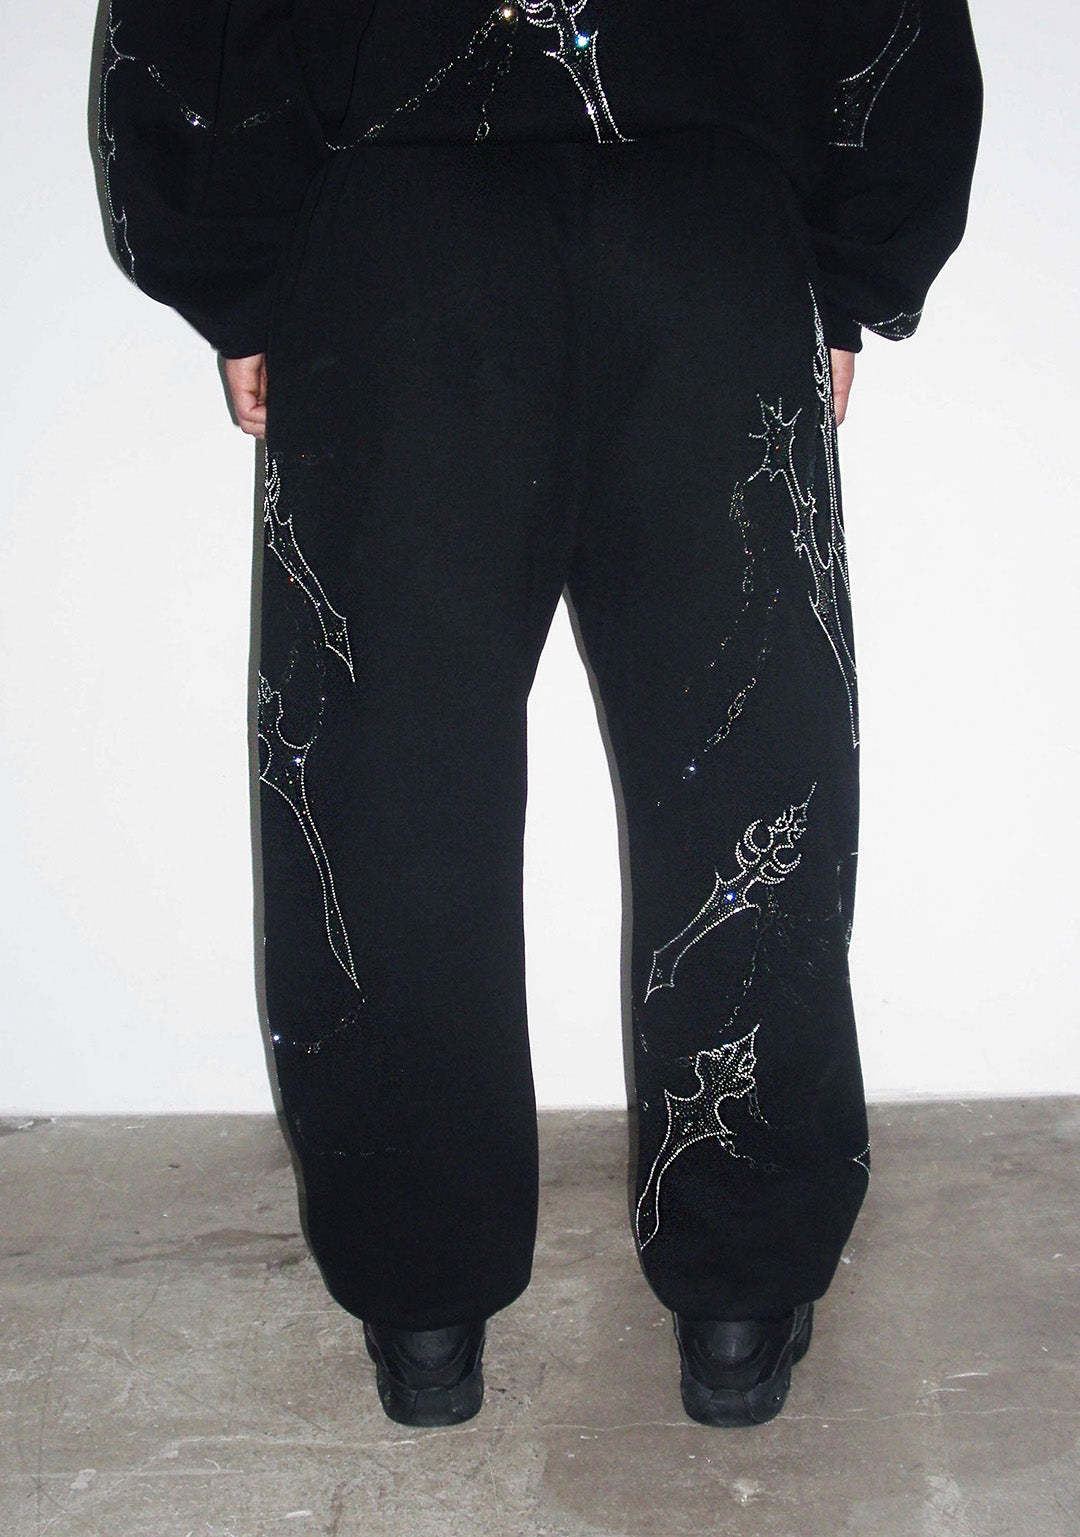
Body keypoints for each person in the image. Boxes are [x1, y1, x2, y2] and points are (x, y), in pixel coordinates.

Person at [95, 1, 982, 1429]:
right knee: (747, 770)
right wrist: (849, 262)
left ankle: (423, 1308)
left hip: (396, 236)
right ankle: (740, 1300)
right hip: (707, 217)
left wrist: (240, 271)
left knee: (392, 786)